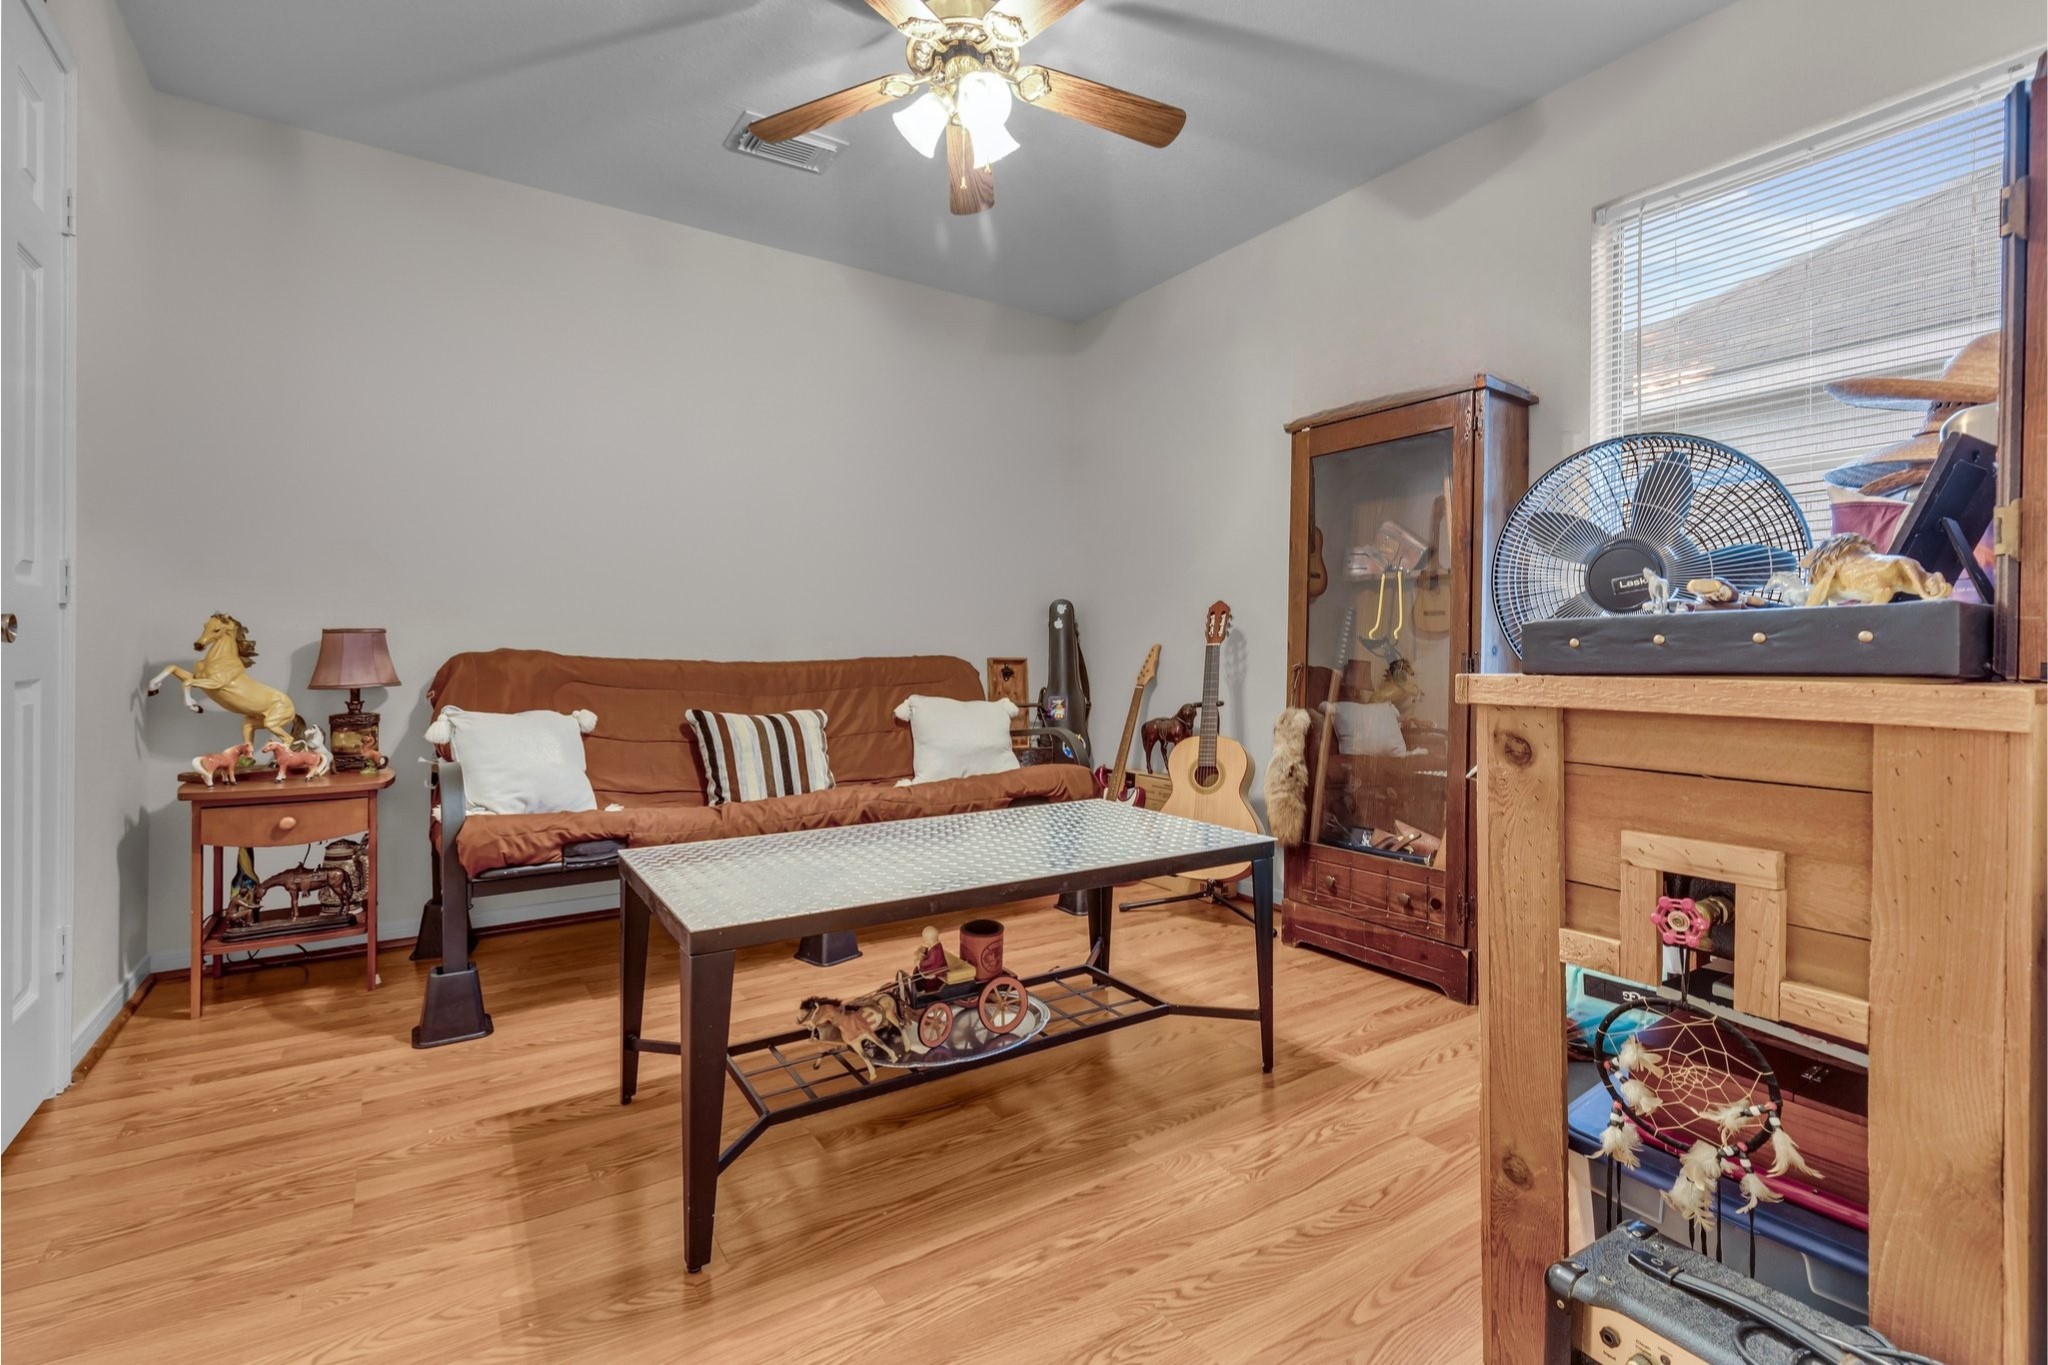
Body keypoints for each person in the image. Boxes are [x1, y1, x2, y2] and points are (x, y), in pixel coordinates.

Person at [912, 926, 949, 990]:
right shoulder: (934, 946)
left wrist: (919, 963)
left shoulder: (936, 950)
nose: (925, 942)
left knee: (927, 979)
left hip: (937, 971)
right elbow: (930, 952)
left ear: (931, 940)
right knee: (917, 971)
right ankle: (917, 986)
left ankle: (926, 990)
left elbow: (930, 962)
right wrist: (925, 951)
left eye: (926, 941)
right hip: (935, 967)